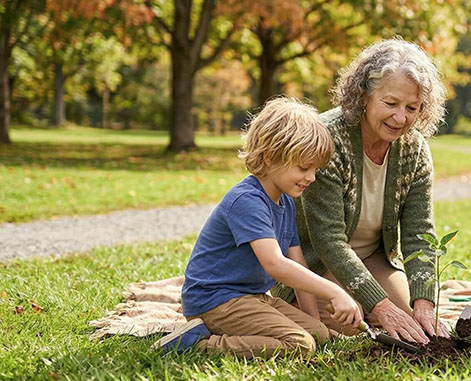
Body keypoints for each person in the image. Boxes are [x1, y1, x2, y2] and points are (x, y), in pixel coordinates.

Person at [270, 38, 450, 344]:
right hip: (318, 263)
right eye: (390, 103)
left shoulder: (415, 149)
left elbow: (419, 232)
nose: (401, 118)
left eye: (412, 108)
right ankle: (297, 305)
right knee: (353, 324)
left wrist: (424, 304)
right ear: (364, 95)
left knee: (411, 321)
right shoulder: (327, 140)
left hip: (373, 257)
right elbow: (328, 240)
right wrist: (380, 307)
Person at [154, 97, 362, 357]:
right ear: (270, 157)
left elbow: (298, 264)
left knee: (318, 335)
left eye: (315, 169)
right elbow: (275, 264)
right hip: (215, 301)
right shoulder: (247, 200)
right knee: (301, 344)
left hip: (251, 297)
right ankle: (196, 344)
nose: (311, 177)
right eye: (303, 168)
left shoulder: (285, 202)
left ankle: (224, 335)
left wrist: (315, 323)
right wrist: (333, 291)